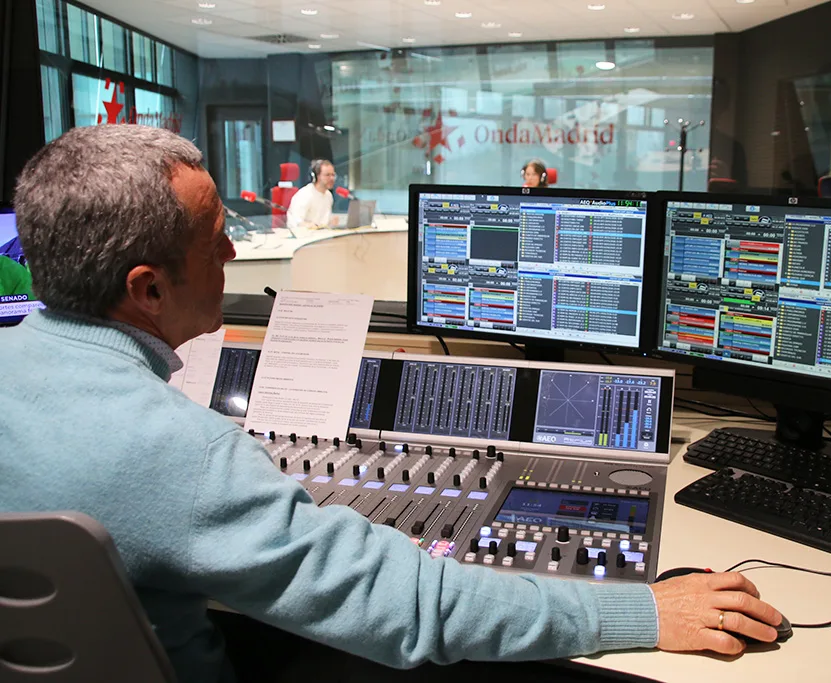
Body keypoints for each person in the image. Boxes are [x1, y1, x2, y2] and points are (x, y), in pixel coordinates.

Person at [0, 125, 783, 683]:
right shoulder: (183, 453)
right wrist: (644, 613)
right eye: (214, 242)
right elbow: (414, 606)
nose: (234, 253)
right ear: (147, 289)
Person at [286, 158, 338, 230]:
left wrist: (331, 223)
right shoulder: (305, 194)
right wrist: (307, 225)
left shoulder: (328, 195)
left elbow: (323, 223)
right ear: (317, 176)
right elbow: (294, 222)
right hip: (306, 236)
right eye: (327, 175)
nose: (332, 178)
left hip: (322, 234)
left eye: (333, 175)